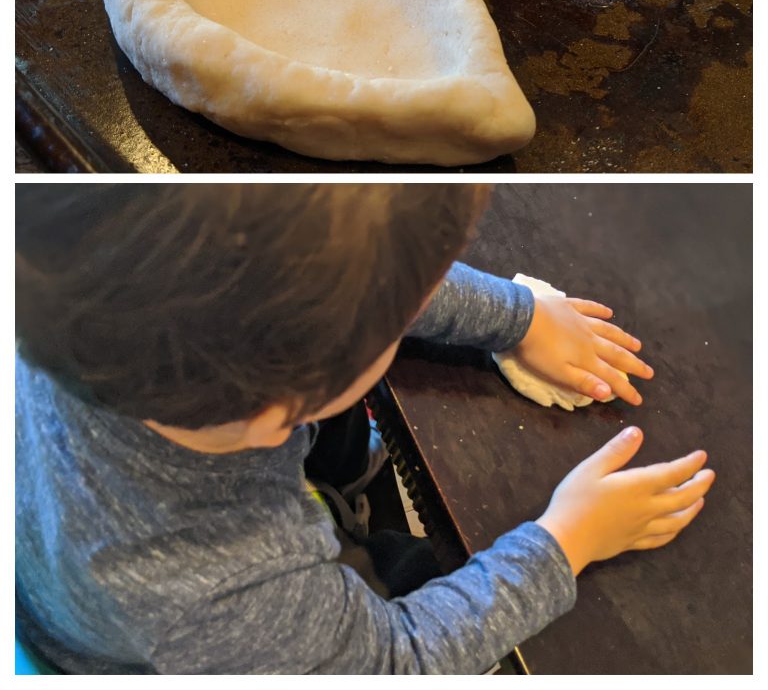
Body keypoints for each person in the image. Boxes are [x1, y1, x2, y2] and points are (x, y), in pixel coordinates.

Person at [15, 184, 714, 674]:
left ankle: (352, 481)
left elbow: (340, 263)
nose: (413, 302)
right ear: (278, 413)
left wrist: (516, 315)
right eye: (402, 309)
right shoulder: (227, 597)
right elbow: (395, 659)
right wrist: (566, 541)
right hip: (145, 647)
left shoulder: (77, 290)